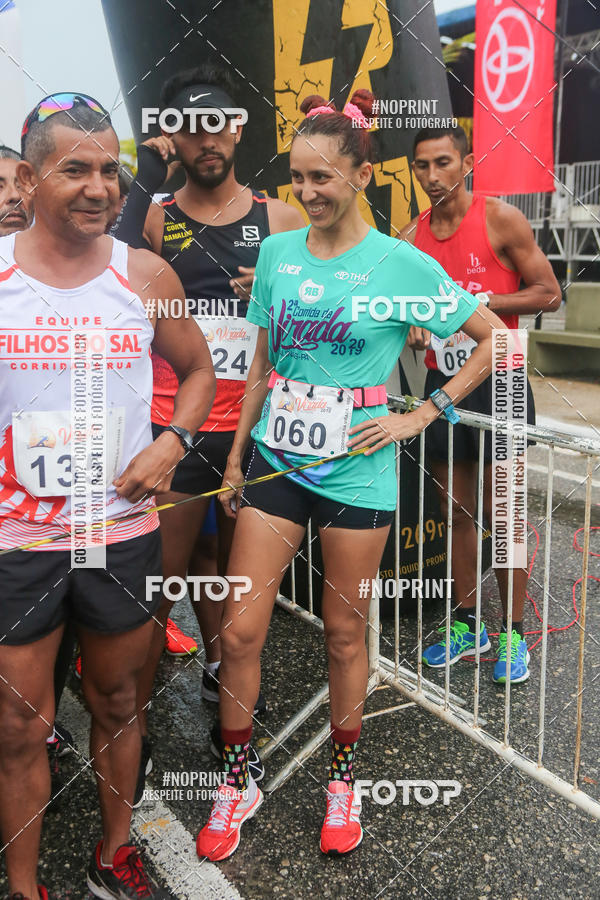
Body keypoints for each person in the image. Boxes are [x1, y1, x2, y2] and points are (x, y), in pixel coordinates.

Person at [195, 91, 508, 862]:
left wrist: (423, 411)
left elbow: (494, 338)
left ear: (361, 175)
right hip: (278, 459)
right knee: (237, 631)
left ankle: (343, 781)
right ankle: (239, 777)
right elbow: (263, 363)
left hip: (360, 472)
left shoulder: (401, 263)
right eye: (297, 178)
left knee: (343, 636)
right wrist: (237, 458)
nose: (306, 193)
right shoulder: (277, 254)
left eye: (322, 178)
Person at [0, 93, 215, 900]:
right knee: (21, 725)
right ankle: (24, 887)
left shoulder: (144, 274)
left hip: (118, 532)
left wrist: (172, 442)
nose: (100, 189)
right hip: (17, 541)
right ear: (27, 177)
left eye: (110, 173)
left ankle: (115, 851)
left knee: (119, 699)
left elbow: (198, 371)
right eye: (75, 170)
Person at [115, 62, 304, 789]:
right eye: (189, 128)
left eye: (217, 123)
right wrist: (142, 175)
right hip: (180, 428)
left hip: (256, 435)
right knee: (155, 584)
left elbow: (320, 305)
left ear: (237, 127)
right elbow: (119, 277)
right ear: (173, 138)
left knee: (234, 586)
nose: (207, 140)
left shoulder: (280, 218)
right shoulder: (158, 217)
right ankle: (131, 724)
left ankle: (227, 705)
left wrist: (276, 295)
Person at [401, 125, 561, 684]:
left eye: (443, 163)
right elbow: (405, 313)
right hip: (445, 385)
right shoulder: (411, 237)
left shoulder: (500, 219)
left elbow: (548, 291)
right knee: (455, 512)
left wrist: (482, 301)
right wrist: (416, 327)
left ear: (467, 162)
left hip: (504, 382)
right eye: (422, 167)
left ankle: (514, 631)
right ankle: (471, 623)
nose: (433, 177)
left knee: (507, 518)